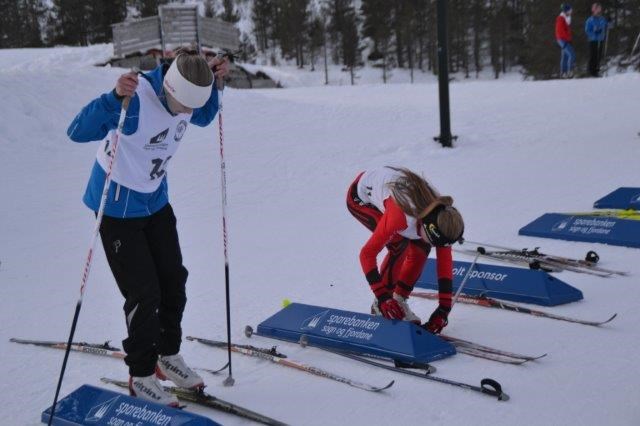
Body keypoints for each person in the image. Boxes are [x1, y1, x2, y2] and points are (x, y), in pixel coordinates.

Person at [67, 51, 229, 406]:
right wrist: (111, 99)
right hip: (116, 207)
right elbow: (76, 132)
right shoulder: (136, 98)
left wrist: (216, 83)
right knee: (144, 293)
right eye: (182, 105)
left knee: (174, 280)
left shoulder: (186, 98)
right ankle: (140, 375)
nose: (188, 113)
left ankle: (166, 355)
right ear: (168, 87)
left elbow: (203, 115)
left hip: (154, 201)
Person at [346, 167, 464, 334]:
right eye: (433, 240)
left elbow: (444, 263)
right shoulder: (400, 217)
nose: (435, 245)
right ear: (424, 224)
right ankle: (379, 307)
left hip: (395, 193)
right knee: (398, 243)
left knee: (422, 246)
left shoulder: (442, 218)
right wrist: (382, 297)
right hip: (360, 197)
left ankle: (399, 298)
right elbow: (367, 254)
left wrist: (444, 309)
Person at [585, 3, 608, 77]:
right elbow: (587, 30)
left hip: (600, 39)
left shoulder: (602, 19)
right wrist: (594, 32)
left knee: (599, 55)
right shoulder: (590, 20)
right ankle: (591, 71)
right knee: (593, 55)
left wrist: (609, 20)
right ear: (593, 10)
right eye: (597, 9)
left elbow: (609, 25)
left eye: (599, 9)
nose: (599, 11)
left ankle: (597, 70)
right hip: (593, 40)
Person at [556, 3, 576, 78]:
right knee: (572, 54)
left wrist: (569, 39)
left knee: (565, 56)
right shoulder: (561, 18)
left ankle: (563, 73)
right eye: (570, 10)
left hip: (565, 40)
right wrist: (567, 39)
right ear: (566, 11)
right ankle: (570, 71)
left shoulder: (567, 18)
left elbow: (567, 31)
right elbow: (560, 31)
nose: (571, 11)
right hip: (562, 40)